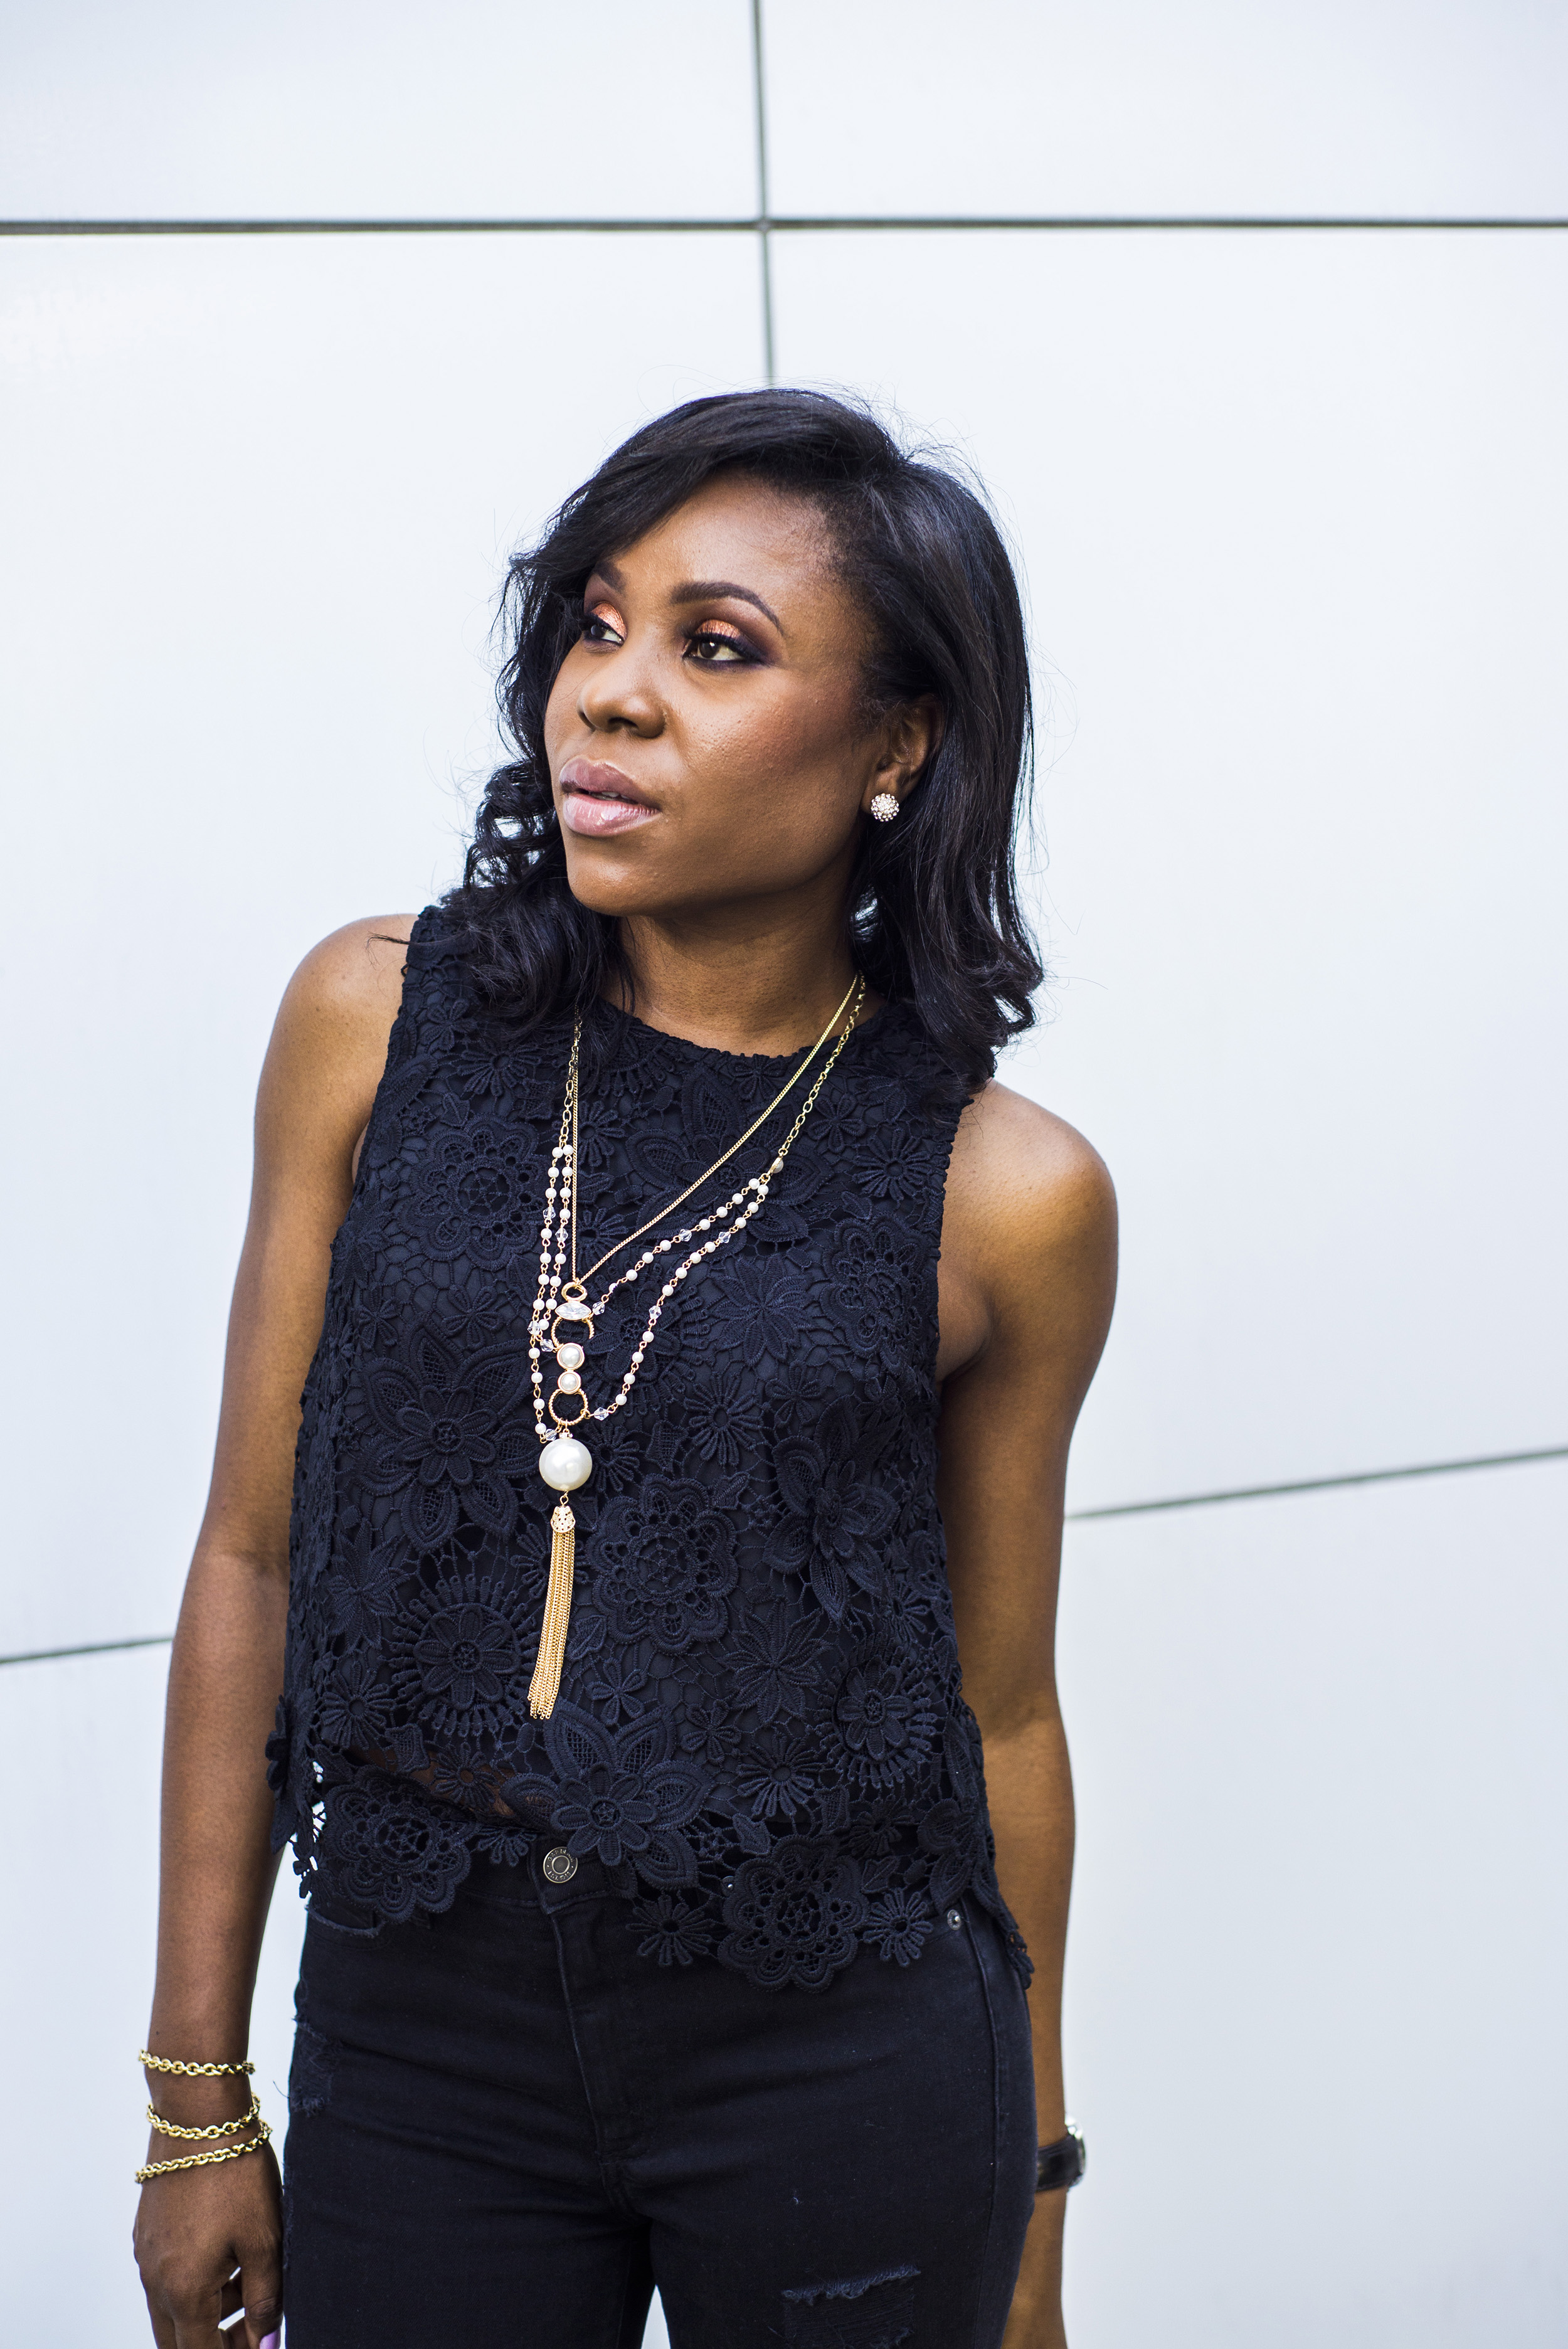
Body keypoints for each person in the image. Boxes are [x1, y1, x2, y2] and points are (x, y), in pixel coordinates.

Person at [132, 388, 1117, 2349]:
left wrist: (1035, 2213)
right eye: (594, 622)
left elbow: (1002, 1714)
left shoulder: (1008, 1193)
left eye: (716, 646)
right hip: (424, 2041)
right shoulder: (371, 1020)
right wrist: (193, 2096)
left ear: (899, 745)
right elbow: (250, 1556)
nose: (611, 691)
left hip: (843, 2054)